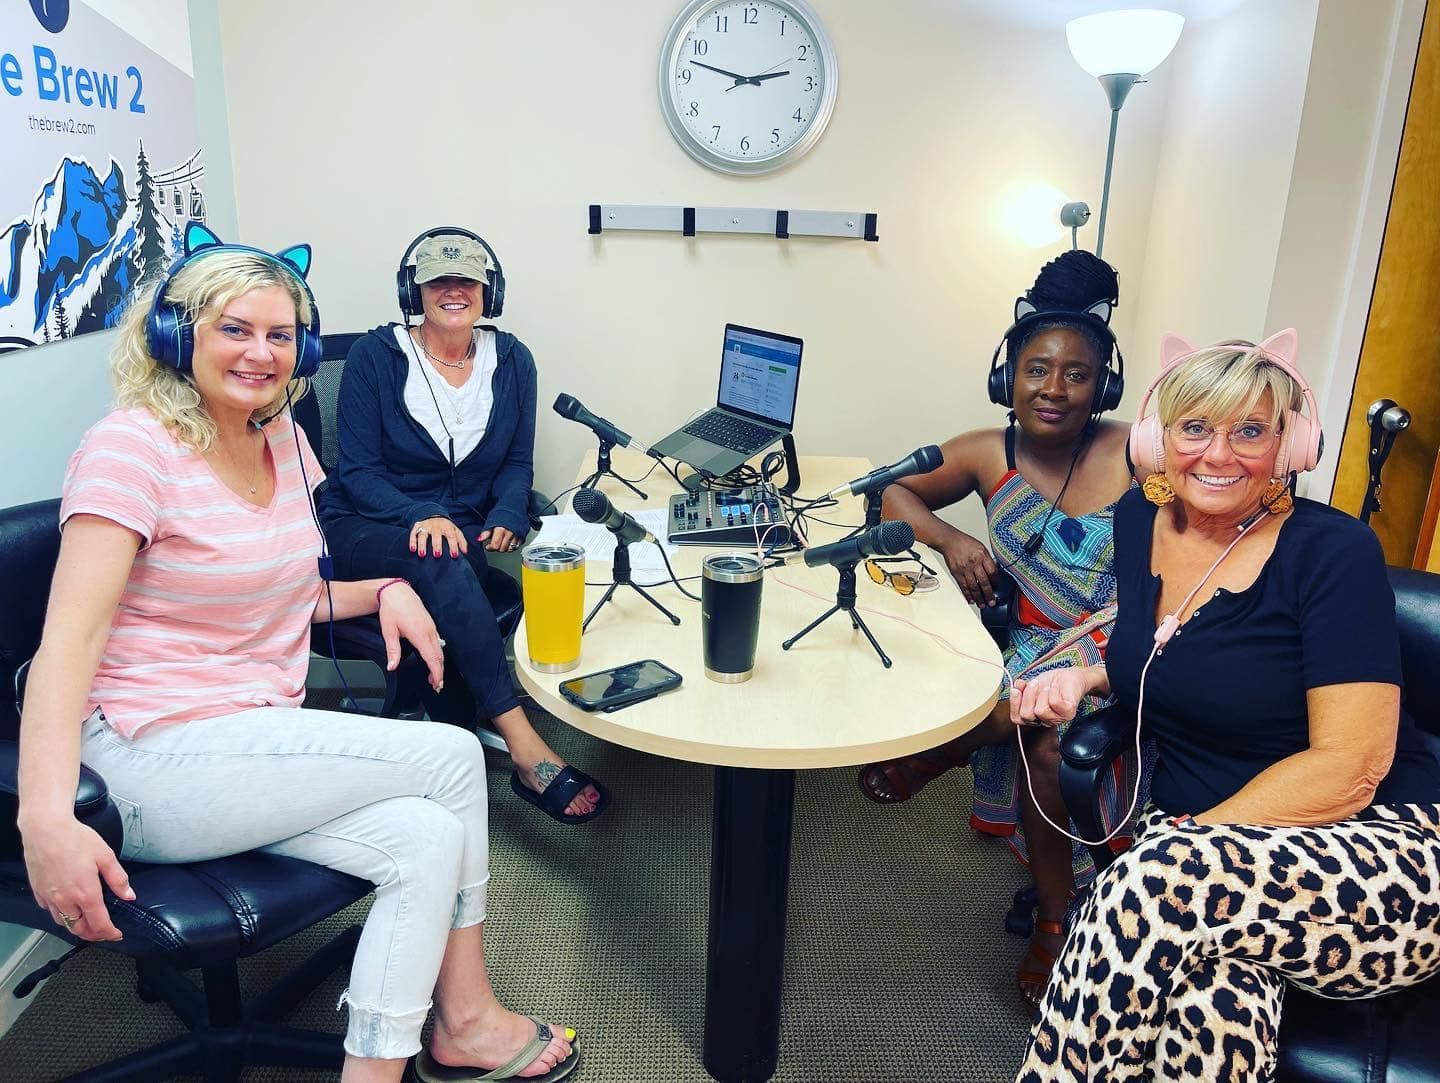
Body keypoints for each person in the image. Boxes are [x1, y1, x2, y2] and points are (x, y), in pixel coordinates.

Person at [16, 225, 579, 1083]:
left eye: (280, 335)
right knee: (456, 756)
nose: (260, 353)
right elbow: (70, 641)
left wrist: (385, 587)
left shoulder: (279, 438)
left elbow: (285, 588)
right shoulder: (131, 448)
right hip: (146, 754)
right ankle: (466, 1018)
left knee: (427, 838)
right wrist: (45, 818)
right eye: (234, 329)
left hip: (248, 738)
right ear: (177, 336)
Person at [1012, 330, 1440, 1081]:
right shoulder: (1141, 520)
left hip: (1378, 853)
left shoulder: (1332, 552)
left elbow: (1353, 764)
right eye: (1196, 428)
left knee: (1144, 889)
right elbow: (1176, 647)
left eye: (1250, 431)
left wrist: (1180, 845)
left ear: (1289, 444)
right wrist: (1089, 677)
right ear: (1157, 440)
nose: (1218, 454)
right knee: (1212, 1001)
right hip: (1211, 873)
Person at [859, 250, 1139, 1013]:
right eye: (1037, 369)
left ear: (1103, 385)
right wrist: (953, 540)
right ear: (1006, 377)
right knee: (1004, 691)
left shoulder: (1136, 449)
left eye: (1077, 373)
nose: (1054, 388)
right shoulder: (988, 450)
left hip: (1123, 638)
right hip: (1028, 645)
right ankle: (970, 748)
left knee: (1045, 737)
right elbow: (894, 494)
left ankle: (955, 753)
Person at [319, 227, 607, 825]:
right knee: (441, 560)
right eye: (437, 281)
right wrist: (418, 513)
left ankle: (447, 739)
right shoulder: (376, 358)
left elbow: (517, 463)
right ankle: (527, 748)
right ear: (413, 291)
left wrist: (505, 512)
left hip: (460, 535)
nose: (453, 290)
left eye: (466, 280)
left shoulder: (514, 361)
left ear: (488, 292)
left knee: (452, 560)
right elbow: (358, 471)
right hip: (366, 524)